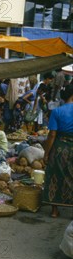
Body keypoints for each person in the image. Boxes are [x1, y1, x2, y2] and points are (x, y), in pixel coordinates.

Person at [42, 84, 73, 218]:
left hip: (60, 148)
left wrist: (46, 153)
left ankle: (54, 210)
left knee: (54, 175)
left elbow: (52, 135)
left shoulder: (57, 111)